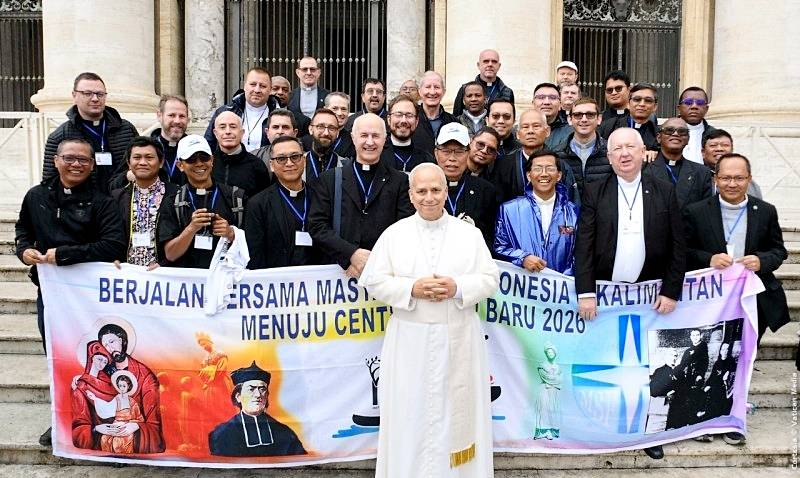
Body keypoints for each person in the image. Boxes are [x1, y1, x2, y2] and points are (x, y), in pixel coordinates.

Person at [359, 162, 499, 477]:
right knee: (411, 414)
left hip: (459, 337)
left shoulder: (469, 234)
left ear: (446, 192)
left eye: (436, 190)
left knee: (456, 413)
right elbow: (373, 281)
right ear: (411, 195)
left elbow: (491, 279)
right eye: (421, 191)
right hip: (410, 341)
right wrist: (412, 288)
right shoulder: (395, 234)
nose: (429, 197)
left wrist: (457, 287)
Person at [574, 128, 686, 460]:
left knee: (648, 368)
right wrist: (585, 291)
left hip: (649, 300)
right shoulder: (595, 189)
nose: (624, 153)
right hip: (606, 298)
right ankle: (607, 430)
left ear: (642, 153)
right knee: (607, 364)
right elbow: (585, 243)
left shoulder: (665, 190)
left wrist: (671, 290)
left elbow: (678, 244)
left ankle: (649, 433)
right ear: (609, 157)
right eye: (617, 149)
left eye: (630, 147)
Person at [16, 138, 127, 446]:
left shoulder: (102, 202)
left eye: (83, 160)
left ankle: (104, 420)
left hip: (90, 297)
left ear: (92, 165)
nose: (76, 164)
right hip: (52, 294)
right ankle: (62, 420)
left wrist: (65, 254)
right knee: (59, 357)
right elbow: (23, 231)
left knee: (97, 362)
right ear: (56, 160)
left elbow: (113, 245)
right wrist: (24, 250)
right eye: (69, 158)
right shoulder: (36, 196)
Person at [683, 153, 789, 343]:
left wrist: (761, 261)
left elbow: (779, 251)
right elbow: (684, 251)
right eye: (725, 178)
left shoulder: (765, 211)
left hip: (752, 295)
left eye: (739, 178)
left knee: (748, 348)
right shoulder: (696, 212)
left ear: (749, 179)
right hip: (711, 297)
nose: (732, 184)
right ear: (716, 179)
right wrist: (709, 259)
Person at [308, 113, 414, 275]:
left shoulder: (400, 181)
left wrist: (374, 261)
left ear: (385, 139)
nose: (370, 142)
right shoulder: (329, 179)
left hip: (384, 271)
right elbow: (317, 226)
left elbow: (404, 228)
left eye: (375, 136)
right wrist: (350, 255)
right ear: (353, 138)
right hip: (339, 272)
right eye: (364, 135)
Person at [72, 323, 165, 453]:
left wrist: (136, 426)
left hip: (133, 433)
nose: (110, 348)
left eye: (112, 342)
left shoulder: (144, 376)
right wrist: (96, 429)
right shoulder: (101, 373)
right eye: (105, 346)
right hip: (108, 432)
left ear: (122, 340)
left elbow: (153, 424)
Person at [157, 135, 245, 269]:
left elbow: (252, 246)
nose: (199, 163)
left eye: (204, 157)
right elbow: (170, 254)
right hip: (188, 279)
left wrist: (231, 234)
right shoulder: (172, 201)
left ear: (212, 160)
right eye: (191, 159)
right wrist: (191, 229)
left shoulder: (236, 197)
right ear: (180, 165)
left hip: (225, 276)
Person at [42, 72, 138, 193]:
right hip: (83, 201)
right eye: (87, 94)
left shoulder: (126, 129)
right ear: (74, 95)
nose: (95, 99)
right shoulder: (60, 136)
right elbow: (50, 183)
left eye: (100, 94)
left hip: (122, 199)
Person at [494, 149, 579, 275]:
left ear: (559, 175)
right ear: (529, 175)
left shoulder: (574, 212)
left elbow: (582, 252)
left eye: (550, 168)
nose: (544, 174)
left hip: (562, 284)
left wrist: (564, 276)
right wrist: (522, 258)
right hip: (523, 283)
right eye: (538, 169)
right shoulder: (509, 210)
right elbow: (499, 248)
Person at [246, 136, 321, 268]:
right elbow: (256, 255)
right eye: (281, 159)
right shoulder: (258, 204)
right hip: (277, 277)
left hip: (316, 276)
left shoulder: (320, 197)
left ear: (304, 161)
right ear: (271, 165)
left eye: (295, 157)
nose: (289, 163)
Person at [209, 361, 306, 456]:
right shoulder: (221, 434)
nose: (258, 395)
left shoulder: (285, 433)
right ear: (238, 397)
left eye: (262, 389)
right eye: (251, 389)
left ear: (267, 396)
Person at [111, 136, 178, 268]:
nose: (142, 162)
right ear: (129, 163)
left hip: (163, 272)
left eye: (149, 157)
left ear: (161, 162)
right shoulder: (117, 196)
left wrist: (164, 264)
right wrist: (114, 259)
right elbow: (112, 234)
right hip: (126, 273)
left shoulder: (176, 194)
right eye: (137, 157)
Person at [433, 122, 498, 247]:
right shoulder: (422, 188)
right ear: (436, 153)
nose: (452, 158)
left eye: (459, 151)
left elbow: (490, 238)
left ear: (468, 153)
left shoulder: (485, 190)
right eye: (446, 151)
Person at [499, 109, 577, 204]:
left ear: (547, 131)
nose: (530, 131)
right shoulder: (504, 165)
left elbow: (571, 203)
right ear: (518, 134)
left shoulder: (560, 165)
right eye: (525, 127)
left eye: (536, 126)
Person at [205, 67, 280, 152]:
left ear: (270, 90)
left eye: (263, 86)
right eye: (253, 84)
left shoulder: (279, 115)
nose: (257, 90)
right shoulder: (225, 111)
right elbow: (208, 145)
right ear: (244, 86)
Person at [643, 117, 712, 210]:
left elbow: (705, 210)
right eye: (669, 130)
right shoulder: (644, 168)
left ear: (688, 139)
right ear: (659, 138)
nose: (675, 134)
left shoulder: (701, 173)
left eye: (682, 131)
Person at [555, 97, 612, 201]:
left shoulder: (611, 151)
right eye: (578, 115)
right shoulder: (557, 154)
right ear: (570, 119)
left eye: (590, 115)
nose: (584, 119)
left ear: (599, 119)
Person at [211, 111, 270, 197]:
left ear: (242, 132)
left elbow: (264, 200)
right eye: (222, 127)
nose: (228, 131)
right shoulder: (208, 164)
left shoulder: (257, 165)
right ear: (215, 133)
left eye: (233, 127)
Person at [599, 83, 660, 154]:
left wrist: (655, 155)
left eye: (648, 100)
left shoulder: (658, 133)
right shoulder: (609, 126)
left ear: (655, 107)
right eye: (637, 99)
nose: (642, 104)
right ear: (628, 103)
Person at [380, 94, 435, 173]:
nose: (404, 120)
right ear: (389, 119)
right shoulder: (377, 154)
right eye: (398, 115)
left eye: (409, 115)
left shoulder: (427, 159)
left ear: (416, 121)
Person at [666, 330, 709, 430]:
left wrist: (700, 375)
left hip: (696, 379)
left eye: (697, 335)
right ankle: (679, 424)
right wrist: (673, 372)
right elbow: (682, 365)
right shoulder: (688, 351)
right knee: (681, 397)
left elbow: (704, 364)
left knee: (692, 400)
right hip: (687, 378)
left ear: (700, 336)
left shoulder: (703, 348)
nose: (695, 337)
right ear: (690, 337)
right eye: (693, 335)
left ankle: (692, 424)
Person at [452, 49, 515, 117]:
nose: (490, 64)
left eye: (494, 62)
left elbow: (510, 117)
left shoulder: (507, 92)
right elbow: (456, 117)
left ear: (499, 66)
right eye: (486, 61)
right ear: (478, 65)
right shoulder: (465, 89)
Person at [701, 129, 763, 198]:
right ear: (703, 152)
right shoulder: (695, 178)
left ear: (732, 150)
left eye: (725, 145)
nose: (719, 149)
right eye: (713, 145)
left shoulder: (749, 184)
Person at [412, 71, 457, 153]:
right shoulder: (411, 120)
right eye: (428, 87)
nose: (432, 92)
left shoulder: (454, 122)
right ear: (420, 91)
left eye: (437, 87)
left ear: (444, 91)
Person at [149, 94, 189, 186]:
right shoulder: (145, 149)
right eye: (171, 115)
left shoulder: (195, 149)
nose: (177, 121)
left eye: (182, 116)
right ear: (160, 116)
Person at [303, 108, 347, 181]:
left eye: (331, 128)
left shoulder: (346, 166)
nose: (326, 133)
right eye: (320, 126)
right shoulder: (296, 164)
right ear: (311, 129)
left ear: (337, 133)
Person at [677, 86, 716, 164]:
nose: (694, 106)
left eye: (700, 103)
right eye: (688, 102)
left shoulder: (715, 135)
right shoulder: (664, 132)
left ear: (706, 109)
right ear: (679, 108)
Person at [533, 83, 573, 149]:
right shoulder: (520, 131)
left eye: (552, 98)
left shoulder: (571, 133)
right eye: (541, 97)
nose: (546, 102)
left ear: (560, 105)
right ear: (533, 104)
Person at [323, 91, 356, 157]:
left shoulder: (354, 141)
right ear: (325, 110)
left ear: (348, 112)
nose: (340, 113)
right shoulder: (308, 140)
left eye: (343, 109)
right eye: (335, 108)